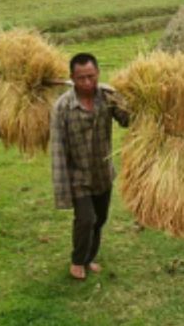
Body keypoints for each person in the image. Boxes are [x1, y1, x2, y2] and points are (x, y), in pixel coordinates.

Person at [50, 53, 130, 280]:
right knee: (86, 219)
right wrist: (63, 190)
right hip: (78, 176)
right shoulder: (63, 107)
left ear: (98, 73)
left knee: (100, 219)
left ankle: (89, 257)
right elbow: (57, 149)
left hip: (102, 173)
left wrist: (136, 101)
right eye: (81, 78)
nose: (87, 82)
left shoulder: (107, 97)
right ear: (72, 78)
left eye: (91, 76)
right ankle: (77, 261)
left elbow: (126, 120)